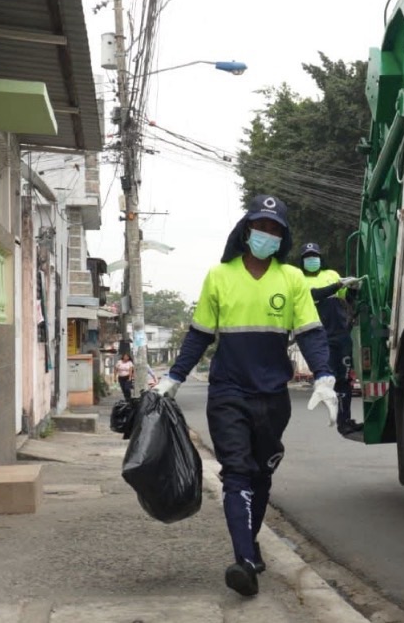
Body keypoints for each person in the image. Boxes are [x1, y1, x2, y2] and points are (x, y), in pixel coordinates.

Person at [153, 195, 339, 597]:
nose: (266, 235)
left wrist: (324, 375)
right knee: (236, 473)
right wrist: (174, 377)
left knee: (261, 473)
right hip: (228, 391)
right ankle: (244, 562)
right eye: (261, 226)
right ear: (245, 229)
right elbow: (200, 334)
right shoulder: (219, 276)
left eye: (275, 229)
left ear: (283, 237)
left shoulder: (290, 279)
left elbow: (310, 332)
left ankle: (250, 543)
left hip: (273, 396)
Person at [299, 242, 362, 435]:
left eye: (315, 255)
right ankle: (331, 412)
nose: (312, 259)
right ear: (302, 260)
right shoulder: (299, 279)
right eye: (308, 256)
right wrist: (336, 286)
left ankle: (345, 421)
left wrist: (353, 288)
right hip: (318, 336)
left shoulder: (331, 274)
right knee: (328, 379)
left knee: (344, 380)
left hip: (340, 335)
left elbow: (347, 297)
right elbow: (314, 295)